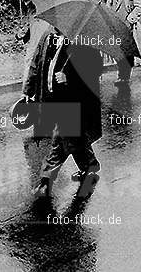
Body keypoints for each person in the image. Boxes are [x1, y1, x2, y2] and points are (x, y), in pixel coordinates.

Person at [32, 38, 103, 198]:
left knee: (60, 142)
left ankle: (46, 180)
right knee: (76, 139)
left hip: (75, 104)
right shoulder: (60, 40)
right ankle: (90, 166)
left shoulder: (86, 43)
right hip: (60, 100)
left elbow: (95, 71)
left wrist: (68, 79)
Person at [105, 0, 141, 85]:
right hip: (115, 26)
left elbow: (140, 7)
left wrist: (130, 19)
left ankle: (125, 76)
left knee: (128, 52)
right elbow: (108, 6)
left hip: (129, 26)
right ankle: (122, 74)